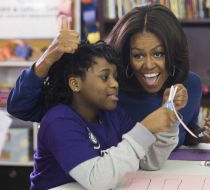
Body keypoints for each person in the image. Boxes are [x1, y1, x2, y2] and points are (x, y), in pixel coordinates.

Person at [7, 4, 210, 148]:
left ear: (173, 52)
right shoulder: (104, 87)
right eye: (138, 55)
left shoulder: (189, 84)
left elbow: (186, 133)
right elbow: (20, 107)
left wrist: (202, 135)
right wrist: (48, 57)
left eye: (159, 53)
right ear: (125, 55)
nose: (149, 65)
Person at [30, 41, 180, 190]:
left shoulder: (113, 114)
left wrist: (169, 113)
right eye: (105, 77)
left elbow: (149, 162)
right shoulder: (59, 122)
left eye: (115, 77)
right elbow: (98, 181)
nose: (115, 84)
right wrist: (144, 129)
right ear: (75, 84)